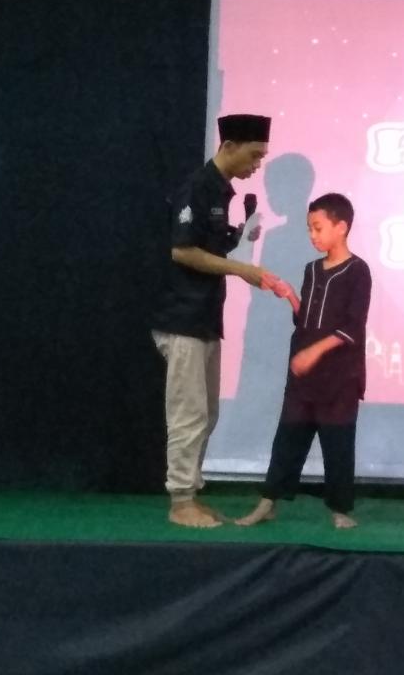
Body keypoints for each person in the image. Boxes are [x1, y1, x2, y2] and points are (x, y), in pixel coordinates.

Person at [151, 114, 279, 529]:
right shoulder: (196, 187)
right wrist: (242, 269)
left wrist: (240, 237)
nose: (257, 164)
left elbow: (211, 244)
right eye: (254, 155)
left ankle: (192, 491)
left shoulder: (222, 191)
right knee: (188, 413)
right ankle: (180, 500)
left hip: (205, 318)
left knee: (207, 413)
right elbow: (183, 251)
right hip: (182, 317)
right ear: (228, 147)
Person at [238, 193, 372, 530]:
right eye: (309, 228)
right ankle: (268, 501)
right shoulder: (312, 270)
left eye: (318, 227)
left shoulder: (358, 271)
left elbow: (352, 327)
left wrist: (314, 351)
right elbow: (307, 320)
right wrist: (290, 297)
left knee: (337, 442)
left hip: (340, 376)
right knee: (288, 437)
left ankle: (340, 509)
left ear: (341, 227)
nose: (312, 235)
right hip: (304, 377)